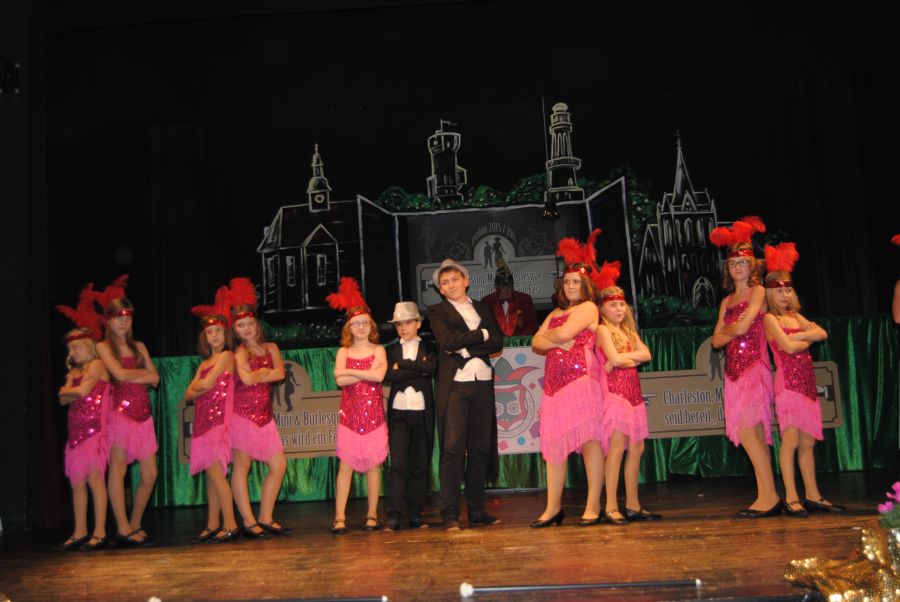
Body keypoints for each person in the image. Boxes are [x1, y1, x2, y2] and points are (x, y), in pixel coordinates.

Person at [762, 242, 843, 516]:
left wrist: (800, 335)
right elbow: (788, 347)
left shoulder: (795, 316)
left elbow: (822, 334)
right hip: (788, 385)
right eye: (779, 290)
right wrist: (805, 337)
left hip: (807, 384)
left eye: (788, 289)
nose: (784, 294)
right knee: (791, 441)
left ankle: (813, 494)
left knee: (808, 442)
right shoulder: (770, 319)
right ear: (770, 293)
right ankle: (791, 496)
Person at [710, 217, 780, 517]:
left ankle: (769, 496)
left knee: (751, 433)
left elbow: (742, 328)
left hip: (753, 366)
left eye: (743, 262)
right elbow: (716, 341)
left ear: (752, 266)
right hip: (733, 372)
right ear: (727, 267)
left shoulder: (758, 291)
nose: (737, 267)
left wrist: (732, 329)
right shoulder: (726, 300)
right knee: (751, 433)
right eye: (733, 262)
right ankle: (767, 495)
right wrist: (732, 329)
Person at [427, 259, 504, 530]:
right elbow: (447, 342)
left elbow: (497, 341)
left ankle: (477, 510)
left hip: (482, 383)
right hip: (455, 385)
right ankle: (449, 513)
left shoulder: (483, 307)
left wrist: (467, 345)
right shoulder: (436, 311)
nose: (450, 285)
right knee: (452, 449)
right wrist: (481, 335)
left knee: (480, 449)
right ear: (440, 289)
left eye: (455, 280)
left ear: (466, 281)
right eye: (444, 283)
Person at [530, 249, 605, 527]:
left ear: (585, 285)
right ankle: (553, 508)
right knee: (554, 446)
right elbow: (535, 343)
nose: (571, 286)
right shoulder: (555, 312)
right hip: (554, 386)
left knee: (589, 441)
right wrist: (555, 339)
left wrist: (551, 337)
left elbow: (558, 334)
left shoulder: (588, 308)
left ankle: (593, 505)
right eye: (567, 282)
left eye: (576, 282)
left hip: (582, 379)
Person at [94, 277, 160, 547]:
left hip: (142, 414)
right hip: (118, 413)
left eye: (128, 318)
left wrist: (137, 374)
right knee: (118, 469)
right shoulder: (103, 347)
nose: (124, 323)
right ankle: (122, 527)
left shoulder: (139, 347)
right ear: (109, 321)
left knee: (150, 473)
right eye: (118, 318)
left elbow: (155, 377)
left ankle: (135, 523)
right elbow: (119, 374)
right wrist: (141, 374)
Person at [595, 263, 659, 525]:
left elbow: (647, 355)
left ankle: (633, 504)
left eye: (622, 305)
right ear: (602, 309)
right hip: (616, 395)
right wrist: (622, 359)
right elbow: (614, 359)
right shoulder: (602, 330)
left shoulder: (629, 331)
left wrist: (624, 358)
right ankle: (610, 506)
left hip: (634, 396)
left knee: (637, 447)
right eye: (613, 305)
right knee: (617, 448)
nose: (619, 309)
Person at [228, 277, 289, 538]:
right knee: (242, 465)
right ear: (235, 330)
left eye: (250, 323)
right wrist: (265, 372)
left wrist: (260, 372)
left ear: (257, 324)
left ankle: (265, 516)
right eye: (241, 325)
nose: (246, 328)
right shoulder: (239, 353)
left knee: (279, 465)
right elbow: (246, 379)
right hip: (242, 415)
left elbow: (280, 374)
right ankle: (248, 520)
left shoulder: (271, 347)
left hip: (265, 416)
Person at [327, 277, 388, 534]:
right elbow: (339, 380)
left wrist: (350, 372)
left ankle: (372, 515)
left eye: (365, 323)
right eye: (356, 323)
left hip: (374, 418)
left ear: (370, 325)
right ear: (349, 328)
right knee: (345, 467)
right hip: (349, 419)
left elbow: (379, 376)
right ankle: (339, 516)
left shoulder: (379, 349)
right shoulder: (344, 352)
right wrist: (364, 372)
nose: (361, 327)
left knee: (374, 467)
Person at [183, 302, 241, 543]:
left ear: (225, 334)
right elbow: (187, 395)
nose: (214, 335)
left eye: (218, 331)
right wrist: (198, 388)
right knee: (211, 475)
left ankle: (230, 524)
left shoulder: (227, 356)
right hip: (203, 422)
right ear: (204, 337)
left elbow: (206, 384)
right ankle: (212, 523)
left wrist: (199, 387)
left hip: (220, 421)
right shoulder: (203, 363)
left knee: (217, 473)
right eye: (210, 332)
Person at [55, 327, 111, 551]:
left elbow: (82, 391)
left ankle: (100, 531)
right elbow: (62, 400)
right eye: (70, 349)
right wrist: (67, 391)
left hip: (94, 431)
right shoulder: (74, 372)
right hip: (76, 433)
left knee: (95, 479)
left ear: (88, 347)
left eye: (76, 347)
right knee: (76, 483)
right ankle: (79, 531)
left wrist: (66, 390)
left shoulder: (97, 365)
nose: (72, 353)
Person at [383, 301, 437, 531]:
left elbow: (431, 369)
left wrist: (403, 366)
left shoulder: (430, 347)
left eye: (408, 323)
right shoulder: (390, 350)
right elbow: (388, 375)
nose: (403, 328)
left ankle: (415, 514)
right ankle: (394, 515)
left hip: (422, 411)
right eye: (399, 324)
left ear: (418, 323)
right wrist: (417, 367)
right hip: (399, 412)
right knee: (397, 464)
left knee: (419, 465)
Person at [479, 257, 538, 337]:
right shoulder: (486, 301)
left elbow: (533, 323)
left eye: (509, 287)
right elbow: (484, 326)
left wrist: (523, 338)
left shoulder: (525, 299)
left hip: (520, 342)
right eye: (503, 288)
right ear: (496, 286)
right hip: (497, 343)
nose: (507, 291)